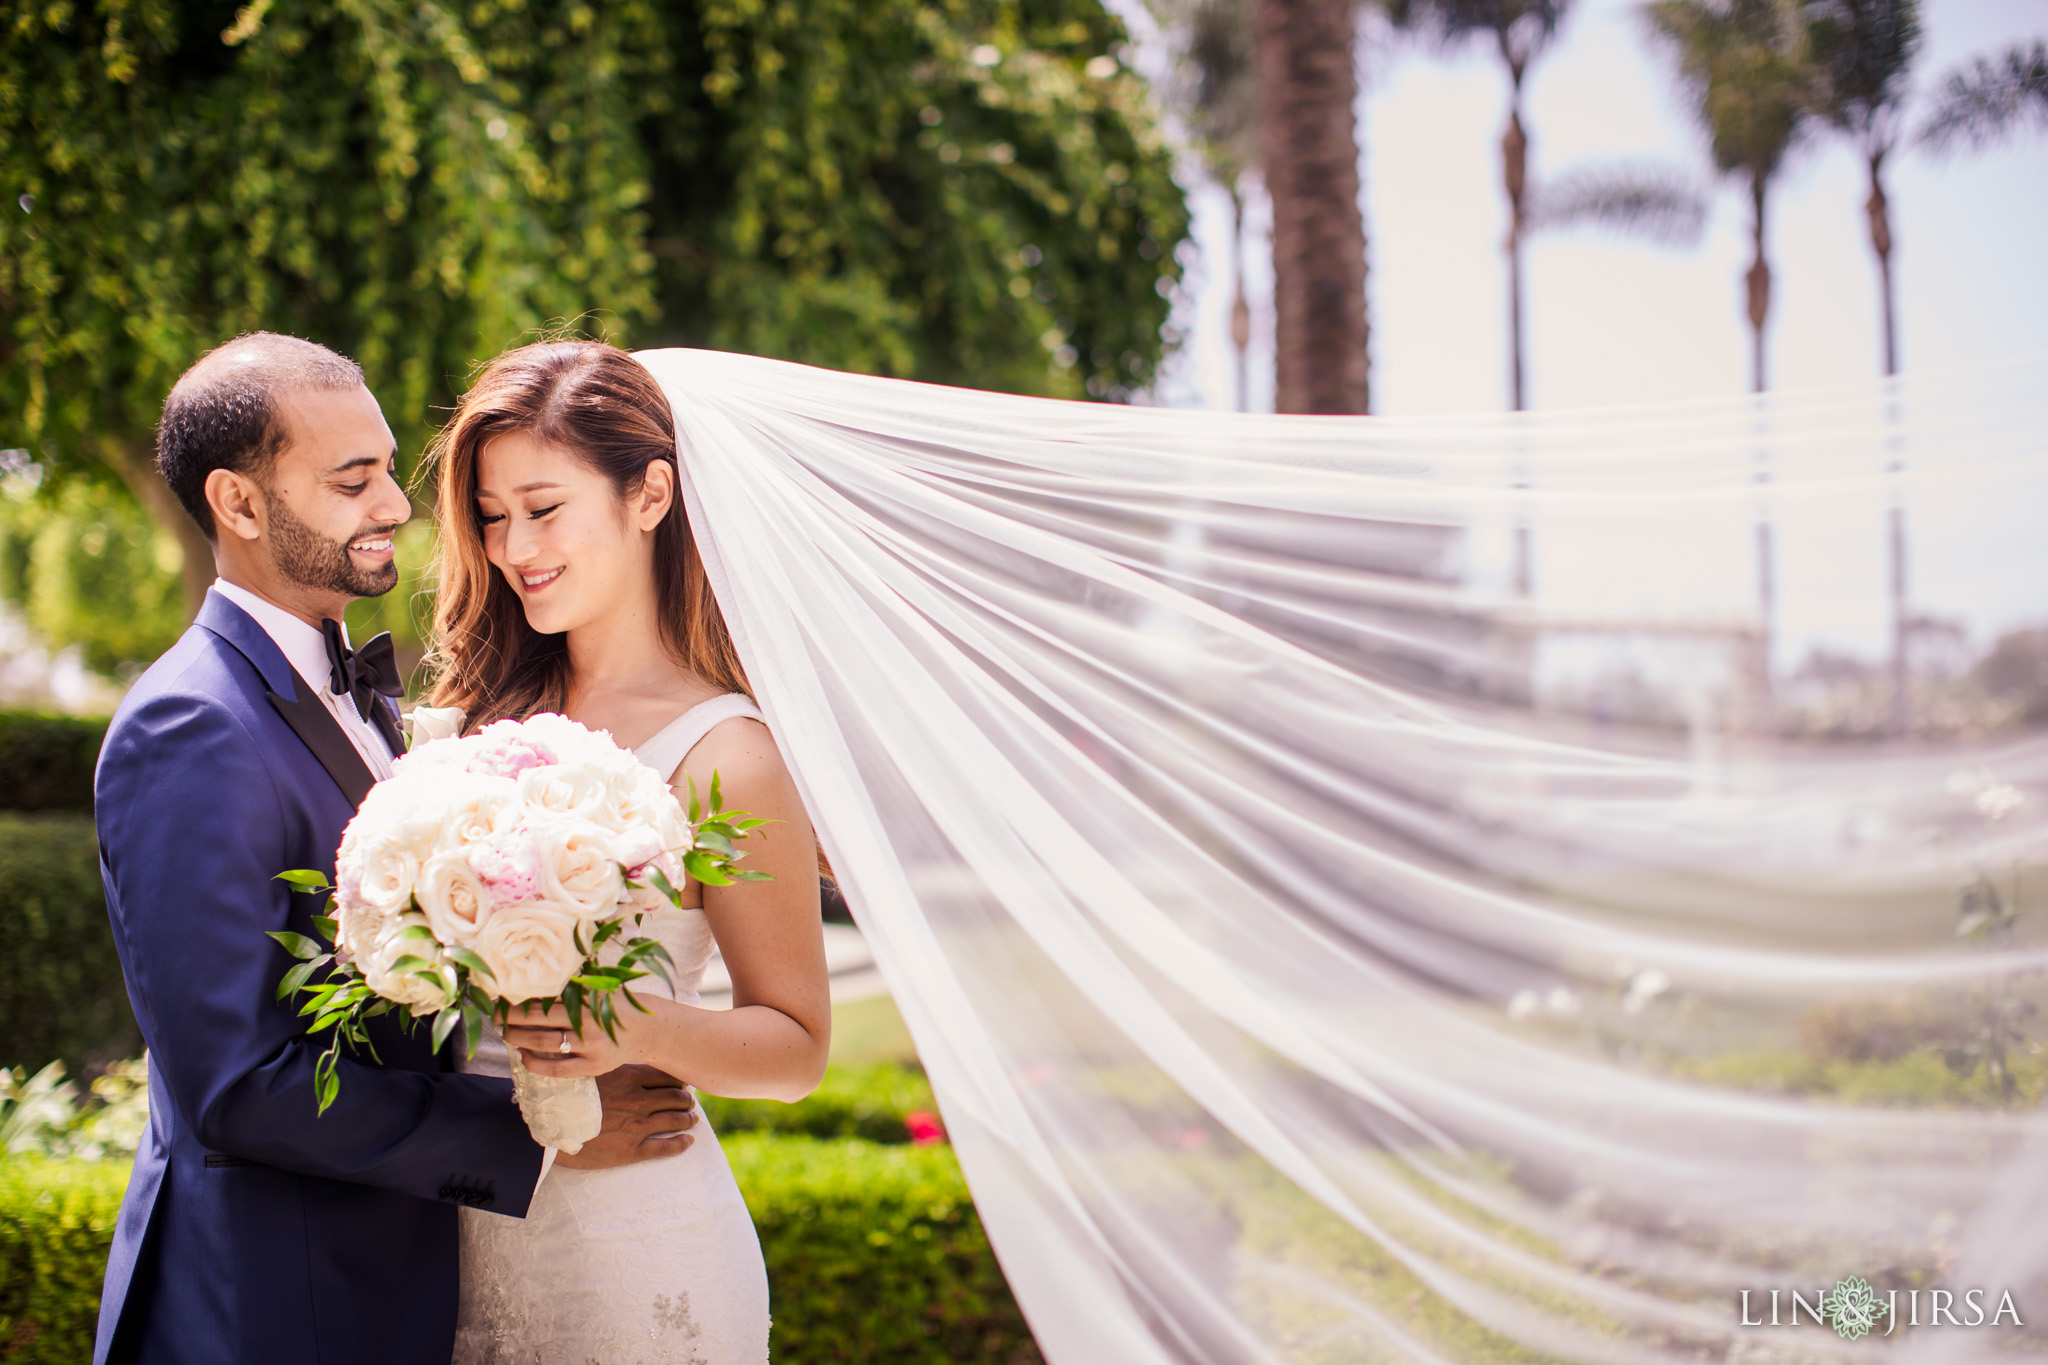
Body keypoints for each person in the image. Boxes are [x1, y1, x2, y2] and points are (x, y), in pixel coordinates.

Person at [92, 333, 699, 1365]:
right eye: (352, 479)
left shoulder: (376, 702)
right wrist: (544, 1134)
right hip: (279, 1312)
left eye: (385, 468)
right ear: (238, 505)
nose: (396, 505)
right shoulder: (189, 726)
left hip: (400, 1293)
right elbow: (238, 1085)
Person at [418, 339, 831, 1364]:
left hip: (637, 1247)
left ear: (649, 495)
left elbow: (796, 1045)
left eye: (543, 507)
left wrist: (634, 1028)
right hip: (450, 1234)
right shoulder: (460, 727)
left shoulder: (725, 755)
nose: (514, 547)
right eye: (491, 515)